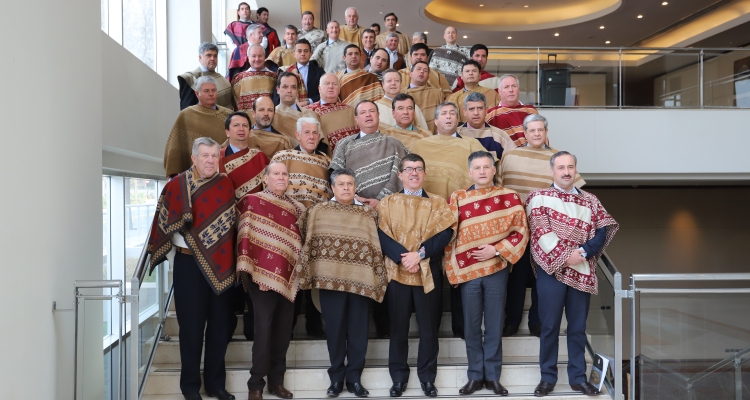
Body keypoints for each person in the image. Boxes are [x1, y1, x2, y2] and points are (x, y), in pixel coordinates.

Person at [148, 137, 237, 400]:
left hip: (222, 264)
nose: (210, 161)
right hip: (188, 264)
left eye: (214, 156)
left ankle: (215, 385)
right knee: (191, 329)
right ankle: (190, 388)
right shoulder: (176, 186)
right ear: (193, 159)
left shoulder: (225, 183)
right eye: (205, 156)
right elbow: (164, 220)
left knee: (221, 327)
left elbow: (230, 223)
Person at [527, 151, 618, 397]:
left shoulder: (591, 200)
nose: (566, 172)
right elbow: (540, 231)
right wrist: (565, 257)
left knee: (578, 328)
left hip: (583, 269)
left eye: (570, 167)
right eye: (560, 167)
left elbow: (601, 230)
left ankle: (577, 379)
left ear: (575, 170)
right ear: (552, 171)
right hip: (551, 271)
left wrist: (584, 252)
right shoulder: (539, 197)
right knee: (549, 327)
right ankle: (547, 378)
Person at [444, 150, 529, 396]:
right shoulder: (458, 198)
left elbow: (521, 231)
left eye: (486, 167)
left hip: (496, 269)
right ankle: (475, 376)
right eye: (477, 168)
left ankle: (492, 377)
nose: (482, 171)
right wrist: (454, 269)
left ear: (494, 171)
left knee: (493, 325)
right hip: (469, 271)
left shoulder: (509, 197)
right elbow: (450, 235)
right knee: (471, 326)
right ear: (470, 172)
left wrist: (496, 249)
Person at [298, 168, 388, 398]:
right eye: (341, 184)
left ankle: (354, 379)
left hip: (361, 281)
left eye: (350, 184)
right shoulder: (318, 211)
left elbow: (377, 244)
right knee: (335, 331)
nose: (346, 187)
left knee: (359, 332)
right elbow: (304, 232)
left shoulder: (368, 214)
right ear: (333, 188)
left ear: (355, 188)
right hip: (330, 282)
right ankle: (336, 379)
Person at [376, 154, 456, 398]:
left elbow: (445, 234)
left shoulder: (437, 203)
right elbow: (380, 235)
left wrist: (419, 254)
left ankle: (427, 379)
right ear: (399, 174)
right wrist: (405, 257)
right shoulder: (387, 203)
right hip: (397, 274)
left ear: (424, 174)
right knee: (398, 329)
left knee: (429, 330)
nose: (414, 173)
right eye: (408, 169)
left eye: (418, 169)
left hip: (427, 274)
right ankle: (398, 378)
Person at [498, 114, 585, 338]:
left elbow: (573, 192)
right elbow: (500, 189)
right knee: (516, 277)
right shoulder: (510, 156)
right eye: (532, 130)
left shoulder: (558, 159)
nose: (536, 134)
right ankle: (512, 321)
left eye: (540, 130)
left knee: (543, 276)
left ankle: (537, 321)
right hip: (517, 227)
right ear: (524, 133)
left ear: (546, 133)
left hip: (549, 230)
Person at [410, 102, 485, 338]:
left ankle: (461, 327)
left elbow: (486, 173)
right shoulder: (420, 144)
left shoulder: (470, 143)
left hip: (462, 215)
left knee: (459, 267)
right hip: (425, 216)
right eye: (444, 113)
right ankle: (428, 326)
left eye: (453, 113)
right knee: (429, 268)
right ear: (435, 121)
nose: (449, 117)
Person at [237, 162, 305, 400]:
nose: (280, 177)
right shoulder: (252, 201)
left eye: (284, 174)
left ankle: (277, 382)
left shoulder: (297, 208)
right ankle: (255, 384)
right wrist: (257, 274)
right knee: (264, 331)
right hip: (261, 280)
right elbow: (245, 237)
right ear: (265, 178)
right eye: (275, 173)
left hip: (288, 279)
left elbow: (300, 244)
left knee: (283, 331)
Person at [271, 117, 331, 338]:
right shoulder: (282, 158)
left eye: (315, 133)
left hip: (317, 229)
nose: (311, 137)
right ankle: (288, 326)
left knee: (313, 278)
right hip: (288, 229)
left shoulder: (326, 162)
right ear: (297, 135)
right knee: (291, 278)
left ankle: (314, 325)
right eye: (307, 132)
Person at [330, 100, 407, 209]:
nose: (368, 115)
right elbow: (335, 176)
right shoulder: (344, 144)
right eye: (363, 112)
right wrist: (354, 197)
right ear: (356, 119)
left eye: (371, 111)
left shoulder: (394, 143)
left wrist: (381, 199)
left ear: (378, 115)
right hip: (354, 206)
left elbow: (403, 174)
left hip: (391, 205)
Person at [164, 76, 232, 178]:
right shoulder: (186, 115)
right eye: (206, 91)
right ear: (197, 93)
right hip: (195, 176)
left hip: (224, 173)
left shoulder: (229, 115)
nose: (211, 94)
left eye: (213, 90)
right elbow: (175, 145)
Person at [456, 92, 516, 167]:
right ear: (465, 111)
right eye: (471, 109)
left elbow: (513, 163)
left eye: (480, 108)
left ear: (486, 110)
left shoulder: (500, 136)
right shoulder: (456, 135)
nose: (476, 113)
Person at [220, 111, 270, 201]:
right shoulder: (218, 158)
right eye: (236, 125)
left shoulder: (260, 157)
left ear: (249, 132)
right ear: (227, 132)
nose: (241, 129)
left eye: (245, 126)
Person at [272, 72, 327, 153]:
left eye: (293, 87)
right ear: (278, 90)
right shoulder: (273, 115)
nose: (289, 91)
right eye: (285, 87)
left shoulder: (310, 114)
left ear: (297, 91)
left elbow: (322, 144)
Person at [307, 73, 359, 154]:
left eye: (334, 84)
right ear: (319, 89)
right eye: (327, 83)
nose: (331, 86)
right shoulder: (308, 111)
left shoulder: (350, 110)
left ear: (339, 89)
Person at [486, 74, 539, 147]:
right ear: (499, 92)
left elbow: (542, 138)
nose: (511, 90)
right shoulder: (490, 114)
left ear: (519, 90)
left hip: (531, 155)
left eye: (514, 86)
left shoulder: (531, 111)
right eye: (506, 87)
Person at [178, 42, 234, 110]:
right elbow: (187, 110)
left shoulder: (224, 80)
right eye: (209, 55)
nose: (212, 58)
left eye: (215, 56)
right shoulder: (191, 78)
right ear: (200, 57)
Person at [231, 45, 277, 112]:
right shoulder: (238, 79)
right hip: (246, 120)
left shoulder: (274, 77)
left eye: (260, 56)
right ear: (248, 57)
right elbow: (234, 104)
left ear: (265, 57)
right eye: (253, 56)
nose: (257, 59)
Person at [278, 39, 325, 103]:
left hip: (314, 107)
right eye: (299, 51)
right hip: (291, 107)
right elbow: (278, 93)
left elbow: (325, 91)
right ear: (294, 54)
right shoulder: (286, 71)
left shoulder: (319, 71)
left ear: (310, 54)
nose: (303, 54)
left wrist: (309, 101)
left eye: (306, 51)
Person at [404, 61, 445, 131]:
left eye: (425, 70)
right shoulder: (402, 93)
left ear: (428, 77)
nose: (422, 72)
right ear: (410, 74)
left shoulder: (437, 93)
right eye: (419, 69)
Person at [225, 2, 254, 80]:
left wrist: (252, 51)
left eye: (247, 9)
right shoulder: (232, 25)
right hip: (237, 56)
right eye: (242, 9)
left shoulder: (257, 26)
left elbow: (263, 41)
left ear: (250, 12)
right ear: (238, 12)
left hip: (254, 56)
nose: (245, 11)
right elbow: (229, 41)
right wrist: (239, 51)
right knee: (236, 79)